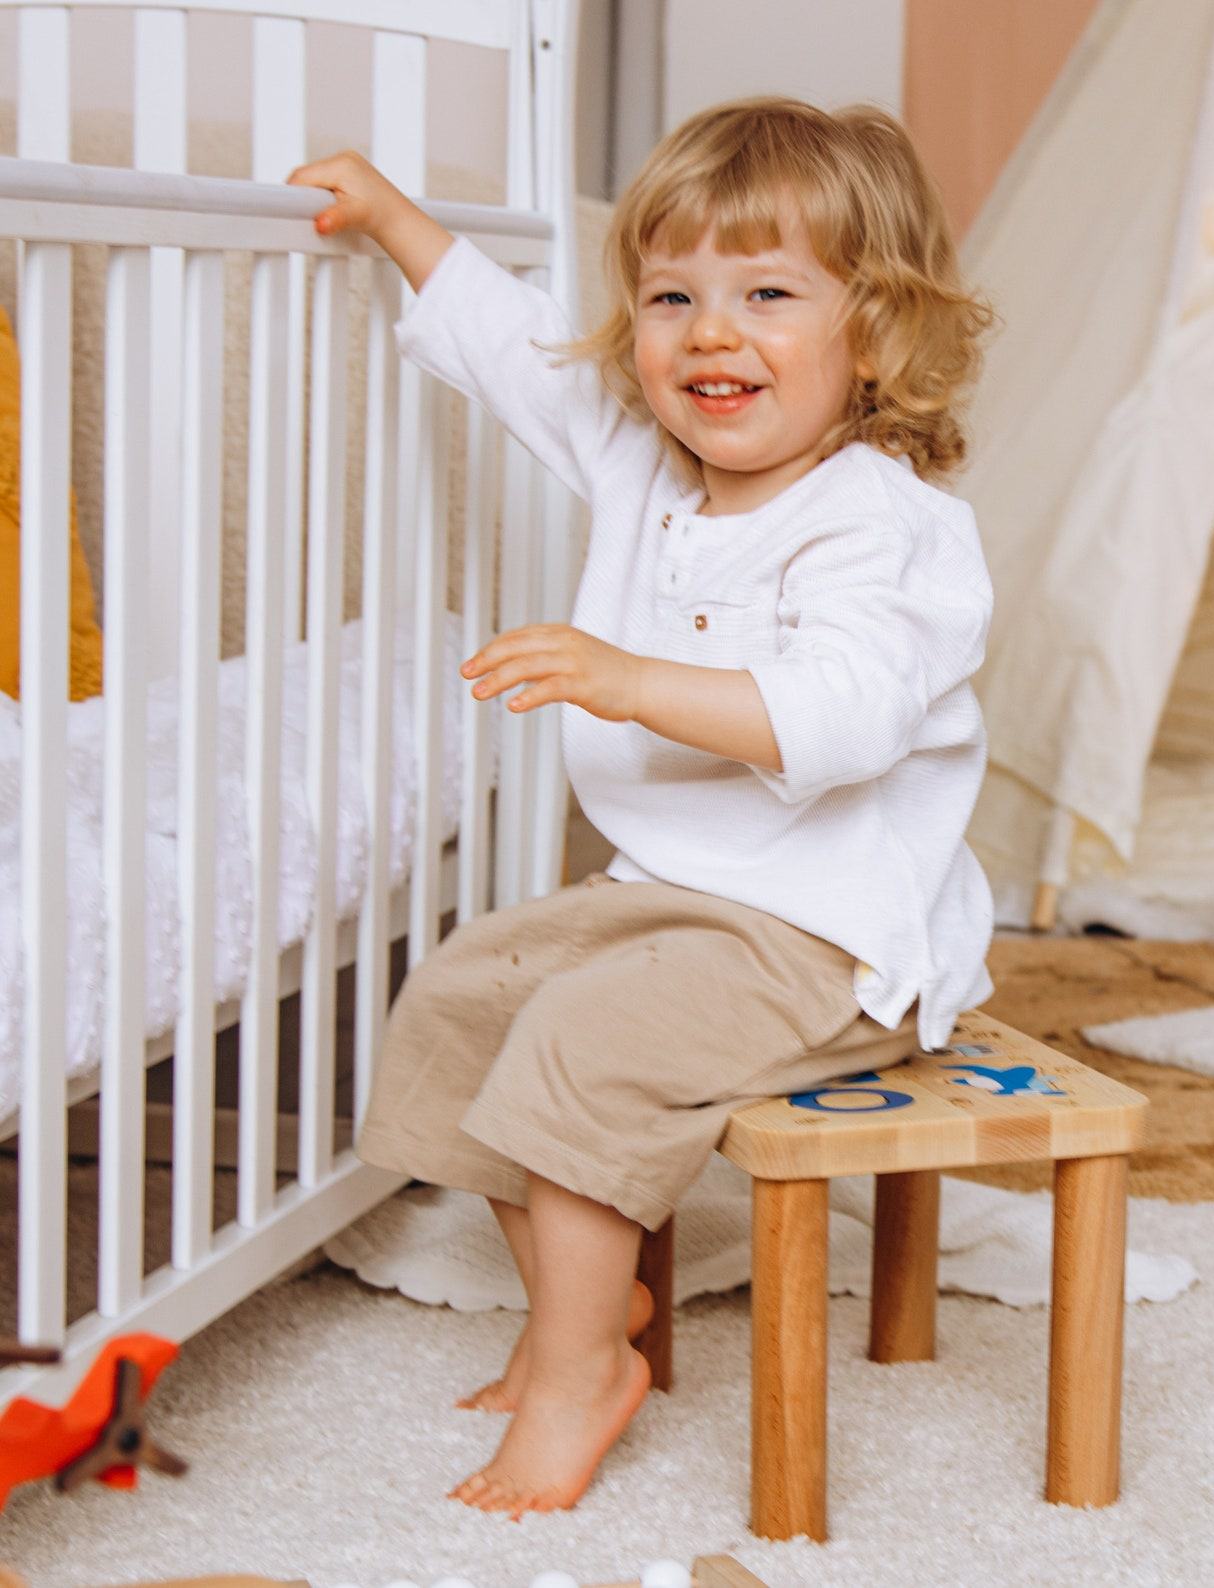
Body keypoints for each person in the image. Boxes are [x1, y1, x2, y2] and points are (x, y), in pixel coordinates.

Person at [285, 95, 998, 1522]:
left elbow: (844, 718)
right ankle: (589, 1328)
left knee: (586, 1044)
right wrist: (393, 219)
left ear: (880, 330)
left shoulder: (881, 521)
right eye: (672, 294)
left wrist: (629, 677)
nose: (708, 333)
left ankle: (568, 1384)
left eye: (767, 294)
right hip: (666, 900)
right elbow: (515, 354)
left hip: (826, 933)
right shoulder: (644, 460)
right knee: (467, 996)